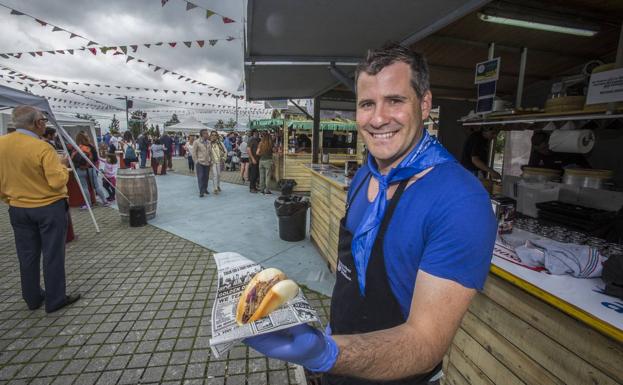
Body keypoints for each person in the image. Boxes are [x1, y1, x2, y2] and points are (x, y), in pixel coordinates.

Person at [244, 43, 497, 384]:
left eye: (395, 100)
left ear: (424, 103)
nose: (378, 118)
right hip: (339, 362)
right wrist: (331, 339)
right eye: (367, 104)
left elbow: (426, 344)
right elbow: (352, 275)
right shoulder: (364, 175)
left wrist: (327, 353)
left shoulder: (460, 201)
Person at [0, 106, 80, 313]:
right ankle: (55, 299)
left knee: (27, 256)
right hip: (48, 207)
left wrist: (9, 198)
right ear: (38, 123)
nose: (45, 123)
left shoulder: (1, 144)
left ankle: (32, 297)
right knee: (52, 254)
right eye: (44, 120)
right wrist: (62, 166)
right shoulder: (43, 148)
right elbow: (56, 181)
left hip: (18, 207)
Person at [72, 132, 110, 208]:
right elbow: (96, 159)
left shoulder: (76, 147)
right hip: (91, 169)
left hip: (80, 170)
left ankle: (88, 205)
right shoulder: (91, 147)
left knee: (84, 188)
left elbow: (73, 159)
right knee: (97, 186)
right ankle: (105, 202)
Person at [191, 129, 212, 197]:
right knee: (201, 176)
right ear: (202, 134)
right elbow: (193, 153)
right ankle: (201, 191)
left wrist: (210, 160)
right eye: (206, 133)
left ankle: (205, 189)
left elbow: (210, 152)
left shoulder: (209, 142)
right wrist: (196, 161)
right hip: (200, 162)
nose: (208, 135)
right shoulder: (196, 142)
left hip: (207, 162)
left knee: (206, 177)